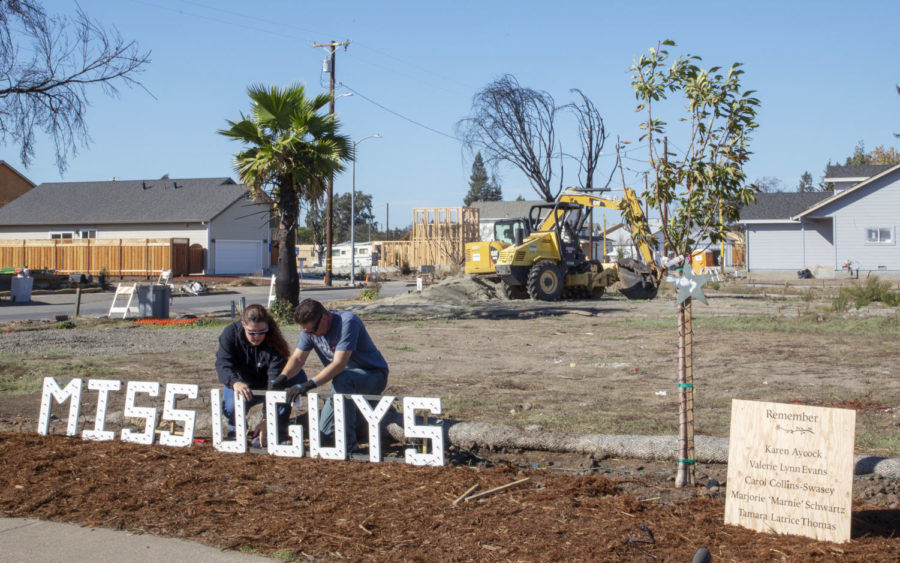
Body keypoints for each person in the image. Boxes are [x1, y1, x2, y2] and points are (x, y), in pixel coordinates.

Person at [282, 298, 389, 451]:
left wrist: (308, 384)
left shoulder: (348, 322)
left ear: (324, 318)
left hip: (372, 376)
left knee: (342, 378)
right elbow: (298, 358)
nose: (310, 335)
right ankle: (362, 416)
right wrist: (282, 377)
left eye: (312, 331)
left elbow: (339, 364)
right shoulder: (310, 329)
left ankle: (349, 445)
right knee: (325, 437)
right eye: (306, 332)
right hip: (342, 385)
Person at [215, 304, 306, 446]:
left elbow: (275, 381)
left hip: (269, 381)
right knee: (231, 406)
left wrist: (266, 418)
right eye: (251, 332)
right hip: (242, 382)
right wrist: (235, 382)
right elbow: (223, 364)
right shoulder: (230, 334)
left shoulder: (275, 343)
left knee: (290, 382)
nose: (256, 337)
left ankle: (278, 429)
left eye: (262, 331)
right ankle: (236, 430)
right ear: (243, 325)